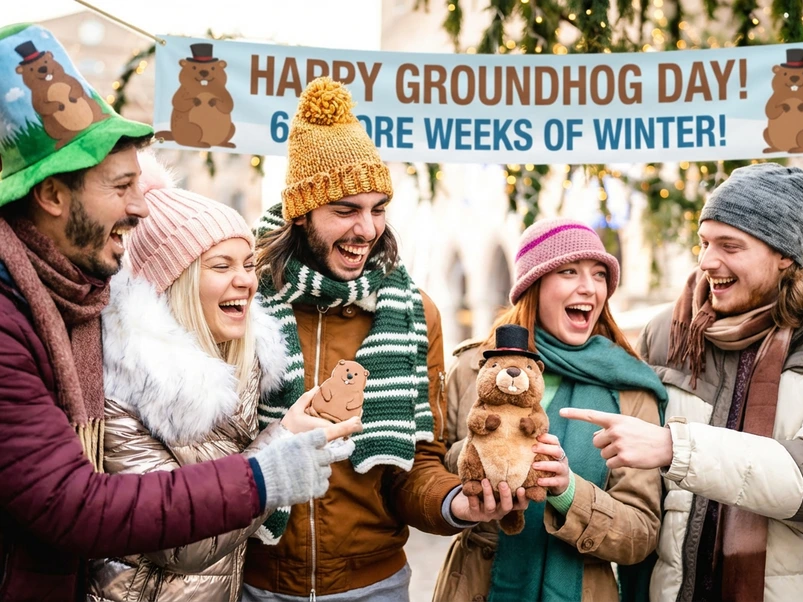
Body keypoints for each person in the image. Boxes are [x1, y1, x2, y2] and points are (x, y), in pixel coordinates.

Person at [0, 24, 342, 600]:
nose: (140, 207)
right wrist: (262, 475)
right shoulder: (11, 323)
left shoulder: (66, 299)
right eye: (121, 186)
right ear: (52, 195)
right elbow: (75, 506)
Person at [242, 77, 521, 601]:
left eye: (378, 208)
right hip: (258, 583)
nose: (368, 230)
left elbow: (415, 464)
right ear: (302, 214)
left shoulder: (414, 313)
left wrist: (455, 502)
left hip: (373, 586)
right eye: (346, 210)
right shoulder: (246, 300)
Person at [563, 163, 803, 602]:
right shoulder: (668, 333)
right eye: (704, 242)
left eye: (730, 246)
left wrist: (675, 447)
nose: (707, 261)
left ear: (784, 254)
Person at [86, 154, 362, 602]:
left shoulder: (244, 367)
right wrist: (277, 454)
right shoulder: (122, 385)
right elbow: (182, 544)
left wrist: (290, 429)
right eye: (221, 266)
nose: (246, 281)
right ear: (172, 281)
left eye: (249, 264)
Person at [434, 218, 668, 602]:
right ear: (534, 285)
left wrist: (567, 491)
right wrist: (484, 456)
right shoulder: (475, 368)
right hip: (476, 586)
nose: (589, 287)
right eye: (569, 271)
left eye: (599, 274)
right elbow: (431, 475)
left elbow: (640, 535)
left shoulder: (631, 390)